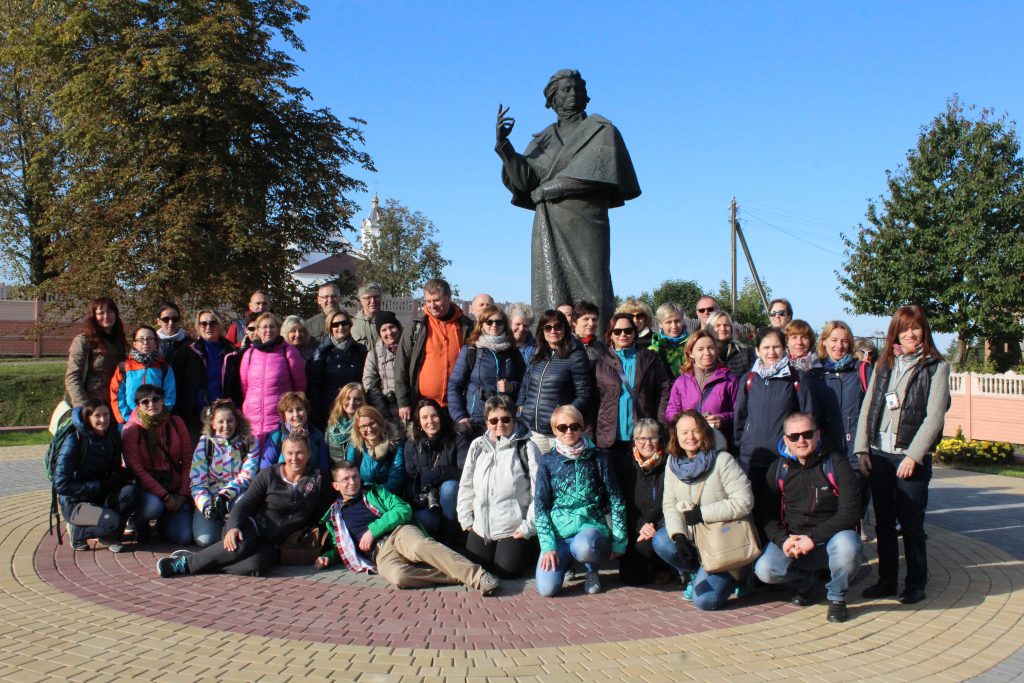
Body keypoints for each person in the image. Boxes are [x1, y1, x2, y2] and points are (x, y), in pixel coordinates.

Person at [495, 69, 640, 325]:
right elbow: (525, 183)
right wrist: (505, 147)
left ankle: (596, 342)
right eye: (566, 89)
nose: (573, 94)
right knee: (551, 291)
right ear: (553, 99)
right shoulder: (543, 140)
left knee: (594, 288)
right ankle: (551, 345)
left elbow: (598, 174)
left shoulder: (600, 130)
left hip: (586, 221)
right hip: (549, 221)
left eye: (578, 89)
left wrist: (550, 189)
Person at [854, 305, 950, 605]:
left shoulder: (936, 367)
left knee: (911, 524)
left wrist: (913, 456)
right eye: (904, 328)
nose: (910, 333)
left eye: (916, 327)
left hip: (910, 457)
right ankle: (886, 580)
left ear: (924, 331)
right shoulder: (885, 363)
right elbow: (868, 405)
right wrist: (862, 448)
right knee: (883, 522)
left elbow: (934, 417)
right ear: (895, 332)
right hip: (880, 455)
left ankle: (916, 583)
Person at [157, 429, 333, 578]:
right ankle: (185, 563)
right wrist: (234, 526)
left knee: (255, 567)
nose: (294, 458)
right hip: (251, 526)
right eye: (290, 453)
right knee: (241, 546)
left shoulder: (319, 478)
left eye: (300, 453)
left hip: (275, 543)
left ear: (309, 453)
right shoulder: (269, 474)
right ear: (283, 453)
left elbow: (323, 513)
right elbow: (245, 504)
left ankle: (208, 561)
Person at [316, 461, 500, 594]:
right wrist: (328, 557)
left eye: (355, 476)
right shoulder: (335, 516)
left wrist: (373, 530)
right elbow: (341, 546)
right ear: (335, 485)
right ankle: (458, 573)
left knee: (420, 546)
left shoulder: (375, 492)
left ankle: (479, 577)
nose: (352, 482)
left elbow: (403, 509)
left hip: (399, 533)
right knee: (399, 577)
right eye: (346, 479)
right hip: (380, 554)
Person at [754, 412, 862, 623]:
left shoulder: (836, 463)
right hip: (794, 541)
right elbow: (767, 515)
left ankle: (837, 597)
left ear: (818, 434)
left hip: (830, 539)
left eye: (807, 434)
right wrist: (783, 540)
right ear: (786, 440)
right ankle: (805, 582)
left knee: (848, 547)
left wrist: (813, 538)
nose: (801, 440)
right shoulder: (778, 469)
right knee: (765, 570)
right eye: (794, 436)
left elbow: (851, 512)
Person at [654, 411, 754, 610]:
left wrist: (702, 513)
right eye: (684, 432)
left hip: (723, 539)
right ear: (676, 436)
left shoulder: (722, 460)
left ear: (705, 432)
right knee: (662, 540)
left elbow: (744, 501)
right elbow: (669, 504)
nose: (690, 437)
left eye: (695, 431)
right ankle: (696, 573)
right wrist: (678, 535)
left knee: (705, 601)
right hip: (694, 537)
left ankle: (741, 574)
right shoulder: (672, 464)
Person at [534, 405, 627, 596]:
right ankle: (566, 563)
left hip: (590, 526)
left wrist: (619, 540)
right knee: (547, 589)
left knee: (584, 548)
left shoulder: (598, 457)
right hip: (559, 533)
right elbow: (540, 505)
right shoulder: (548, 461)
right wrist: (548, 545)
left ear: (582, 428)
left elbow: (616, 498)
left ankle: (592, 571)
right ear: (554, 430)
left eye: (574, 426)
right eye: (562, 427)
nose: (569, 431)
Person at [592, 313, 670, 541]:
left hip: (642, 439)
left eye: (628, 330)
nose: (623, 335)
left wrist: (660, 423)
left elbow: (664, 388)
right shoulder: (601, 361)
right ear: (610, 334)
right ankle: (618, 541)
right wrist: (590, 434)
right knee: (614, 491)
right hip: (610, 439)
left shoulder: (649, 358)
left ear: (635, 333)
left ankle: (640, 538)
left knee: (637, 491)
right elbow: (593, 399)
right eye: (618, 331)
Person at [733, 327, 815, 533]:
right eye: (766, 347)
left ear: (784, 349)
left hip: (783, 458)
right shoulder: (749, 379)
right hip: (751, 457)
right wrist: (741, 444)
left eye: (776, 347)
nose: (771, 352)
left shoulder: (796, 379)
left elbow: (808, 416)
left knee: (777, 510)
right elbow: (740, 417)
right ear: (757, 351)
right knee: (751, 509)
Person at [457, 395, 539, 578]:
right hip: (481, 527)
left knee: (506, 571)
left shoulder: (527, 448)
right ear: (487, 422)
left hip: (514, 528)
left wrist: (528, 528)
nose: (499, 424)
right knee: (479, 569)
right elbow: (466, 485)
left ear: (514, 419)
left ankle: (531, 547)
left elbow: (538, 492)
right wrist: (465, 518)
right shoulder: (477, 446)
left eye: (505, 419)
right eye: (493, 420)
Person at [806, 321, 872, 516]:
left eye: (844, 341)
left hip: (855, 455)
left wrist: (864, 450)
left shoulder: (862, 371)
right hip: (825, 456)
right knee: (827, 511)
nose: (839, 345)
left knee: (853, 512)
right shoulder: (813, 375)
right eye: (834, 340)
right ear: (824, 342)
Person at [54, 399, 135, 552]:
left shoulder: (112, 437)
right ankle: (78, 532)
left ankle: (109, 534)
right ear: (88, 418)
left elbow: (115, 469)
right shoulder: (75, 440)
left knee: (131, 493)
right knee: (115, 523)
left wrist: (126, 477)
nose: (103, 420)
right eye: (97, 416)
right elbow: (61, 485)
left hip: (100, 497)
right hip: (76, 503)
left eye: (106, 414)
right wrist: (99, 485)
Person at [122, 384, 193, 546]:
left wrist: (182, 494)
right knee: (154, 507)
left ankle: (164, 523)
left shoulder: (176, 423)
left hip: (174, 486)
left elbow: (188, 459)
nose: (151, 404)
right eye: (145, 402)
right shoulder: (131, 430)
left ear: (162, 400)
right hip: (148, 490)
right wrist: (165, 496)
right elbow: (137, 470)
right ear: (138, 405)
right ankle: (140, 522)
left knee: (184, 537)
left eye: (155, 399)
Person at [395, 278, 474, 421]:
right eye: (428, 301)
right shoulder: (417, 327)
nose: (432, 305)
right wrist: (403, 402)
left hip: (458, 405)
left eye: (436, 300)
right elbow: (401, 365)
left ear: (448, 297)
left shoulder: (466, 326)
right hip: (424, 405)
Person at [516, 310, 592, 454]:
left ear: (565, 329)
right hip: (533, 431)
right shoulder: (537, 353)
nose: (553, 331)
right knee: (536, 468)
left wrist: (564, 417)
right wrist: (521, 405)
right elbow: (526, 383)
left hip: (560, 433)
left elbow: (585, 394)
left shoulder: (576, 356)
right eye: (548, 327)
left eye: (558, 327)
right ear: (542, 330)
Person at [447, 304, 526, 436]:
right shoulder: (471, 350)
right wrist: (460, 416)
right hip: (476, 420)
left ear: (504, 325)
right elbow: (454, 385)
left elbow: (525, 384)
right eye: (489, 322)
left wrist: (511, 387)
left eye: (499, 322)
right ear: (481, 325)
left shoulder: (513, 352)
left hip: (505, 420)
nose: (494, 325)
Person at [189, 399, 259, 547]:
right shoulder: (205, 443)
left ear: (237, 422)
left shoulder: (249, 443)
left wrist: (224, 495)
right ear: (213, 424)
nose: (226, 426)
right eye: (221, 421)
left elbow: (247, 476)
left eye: (230, 421)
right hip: (210, 497)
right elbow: (197, 482)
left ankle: (234, 528)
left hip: (236, 495)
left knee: (244, 515)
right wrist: (205, 505)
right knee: (206, 540)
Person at [172, 309, 241, 442]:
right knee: (196, 452)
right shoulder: (188, 351)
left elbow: (238, 384)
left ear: (219, 325)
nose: (208, 327)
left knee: (222, 452)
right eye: (203, 323)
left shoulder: (231, 352)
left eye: (212, 323)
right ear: (198, 327)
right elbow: (177, 382)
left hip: (223, 416)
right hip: (194, 415)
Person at [618, 418, 672, 586]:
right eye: (641, 438)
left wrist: (657, 526)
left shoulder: (670, 464)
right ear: (634, 441)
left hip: (663, 527)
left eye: (652, 438)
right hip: (636, 527)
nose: (647, 443)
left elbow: (674, 502)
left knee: (655, 544)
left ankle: (664, 567)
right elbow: (622, 503)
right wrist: (641, 525)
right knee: (632, 578)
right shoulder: (625, 465)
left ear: (660, 439)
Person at [239, 313, 307, 440]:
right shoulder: (249, 354)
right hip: (252, 421)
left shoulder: (289, 352)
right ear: (257, 330)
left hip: (279, 420)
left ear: (279, 329)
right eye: (264, 327)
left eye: (272, 326)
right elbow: (245, 387)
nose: (268, 330)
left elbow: (300, 387)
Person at [404, 399, 467, 537]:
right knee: (425, 519)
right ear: (419, 422)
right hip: (427, 499)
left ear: (441, 417)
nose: (430, 421)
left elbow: (467, 473)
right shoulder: (411, 445)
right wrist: (414, 497)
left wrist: (441, 472)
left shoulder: (457, 439)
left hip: (452, 499)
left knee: (450, 487)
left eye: (434, 416)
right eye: (424, 417)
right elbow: (410, 478)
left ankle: (452, 533)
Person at [664, 331, 739, 443]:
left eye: (710, 348)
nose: (707, 352)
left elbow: (740, 412)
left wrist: (722, 419)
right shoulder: (681, 382)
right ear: (691, 353)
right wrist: (684, 417)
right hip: (689, 442)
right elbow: (670, 412)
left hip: (718, 442)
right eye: (700, 349)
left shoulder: (729, 380)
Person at [307, 308, 368, 431]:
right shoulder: (321, 352)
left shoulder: (360, 350)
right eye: (336, 324)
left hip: (354, 409)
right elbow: (315, 385)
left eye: (344, 323)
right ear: (330, 327)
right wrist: (316, 415)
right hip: (329, 410)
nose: (340, 327)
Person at [65, 296, 127, 410]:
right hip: (93, 405)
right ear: (93, 316)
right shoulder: (83, 341)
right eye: (101, 313)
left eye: (110, 312)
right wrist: (85, 408)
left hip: (117, 403)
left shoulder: (121, 341)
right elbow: (73, 377)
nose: (106, 316)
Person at [109, 324, 177, 426]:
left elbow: (169, 396)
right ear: (135, 344)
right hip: (129, 422)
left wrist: (159, 417)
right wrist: (127, 418)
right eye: (141, 339)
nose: (145, 342)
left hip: (157, 422)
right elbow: (116, 395)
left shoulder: (164, 368)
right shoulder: (124, 367)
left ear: (156, 343)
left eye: (150, 339)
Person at [258, 391, 329, 473]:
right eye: (290, 411)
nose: (296, 414)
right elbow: (265, 467)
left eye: (299, 409)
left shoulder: (317, 435)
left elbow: (324, 467)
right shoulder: (276, 436)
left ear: (306, 411)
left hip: (311, 478)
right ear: (284, 415)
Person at [346, 406, 404, 494]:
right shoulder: (355, 445)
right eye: (363, 426)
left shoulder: (395, 442)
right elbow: (350, 473)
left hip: (389, 495)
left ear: (380, 422)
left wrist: (375, 495)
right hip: (362, 493)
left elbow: (397, 475)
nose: (369, 429)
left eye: (372, 423)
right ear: (358, 429)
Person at [362, 311, 402, 424]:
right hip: (386, 411)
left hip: (410, 409)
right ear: (379, 333)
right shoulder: (373, 355)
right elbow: (369, 385)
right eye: (384, 330)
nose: (389, 332)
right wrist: (382, 413)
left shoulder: (411, 350)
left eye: (392, 327)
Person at [324, 383, 364, 469]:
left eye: (357, 399)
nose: (352, 403)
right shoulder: (333, 423)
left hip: (357, 474)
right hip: (336, 473)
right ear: (341, 400)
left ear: (363, 402)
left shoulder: (366, 426)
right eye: (347, 398)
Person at [707, 311, 756, 379]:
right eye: (718, 325)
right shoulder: (705, 354)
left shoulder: (745, 352)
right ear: (710, 328)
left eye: (726, 325)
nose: (723, 328)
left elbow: (753, 379)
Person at [648, 302, 689, 379]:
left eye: (677, 321)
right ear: (660, 324)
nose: (674, 326)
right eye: (669, 322)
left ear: (682, 321)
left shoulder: (693, 344)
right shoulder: (653, 350)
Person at [351, 282, 389, 350]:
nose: (373, 301)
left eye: (376, 297)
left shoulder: (390, 321)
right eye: (368, 298)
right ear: (361, 300)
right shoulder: (352, 324)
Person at [155, 302, 191, 367]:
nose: (171, 323)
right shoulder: (152, 344)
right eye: (165, 319)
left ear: (179, 320)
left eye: (175, 319)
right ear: (158, 321)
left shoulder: (191, 345)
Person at [571, 300, 607, 365]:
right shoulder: (566, 346)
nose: (591, 323)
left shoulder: (603, 348)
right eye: (586, 319)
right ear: (574, 322)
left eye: (594, 319)